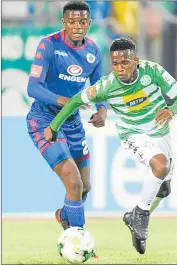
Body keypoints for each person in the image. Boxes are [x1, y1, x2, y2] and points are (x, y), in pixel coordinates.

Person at [44, 37, 177, 254]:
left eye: (125, 63)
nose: (120, 69)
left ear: (136, 61)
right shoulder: (107, 85)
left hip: (160, 131)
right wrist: (54, 126)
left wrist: (171, 110)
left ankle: (135, 216)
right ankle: (140, 215)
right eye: (115, 64)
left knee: (164, 189)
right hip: (133, 133)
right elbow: (76, 100)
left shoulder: (153, 71)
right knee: (160, 167)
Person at [26, 0, 107, 236]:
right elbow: (33, 87)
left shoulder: (93, 51)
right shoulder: (48, 45)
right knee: (73, 180)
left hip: (72, 122)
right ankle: (77, 239)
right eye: (71, 21)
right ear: (64, 22)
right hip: (43, 120)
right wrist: (67, 101)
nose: (77, 26)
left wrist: (102, 110)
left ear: (89, 23)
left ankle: (65, 215)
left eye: (82, 21)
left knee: (85, 186)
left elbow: (100, 88)